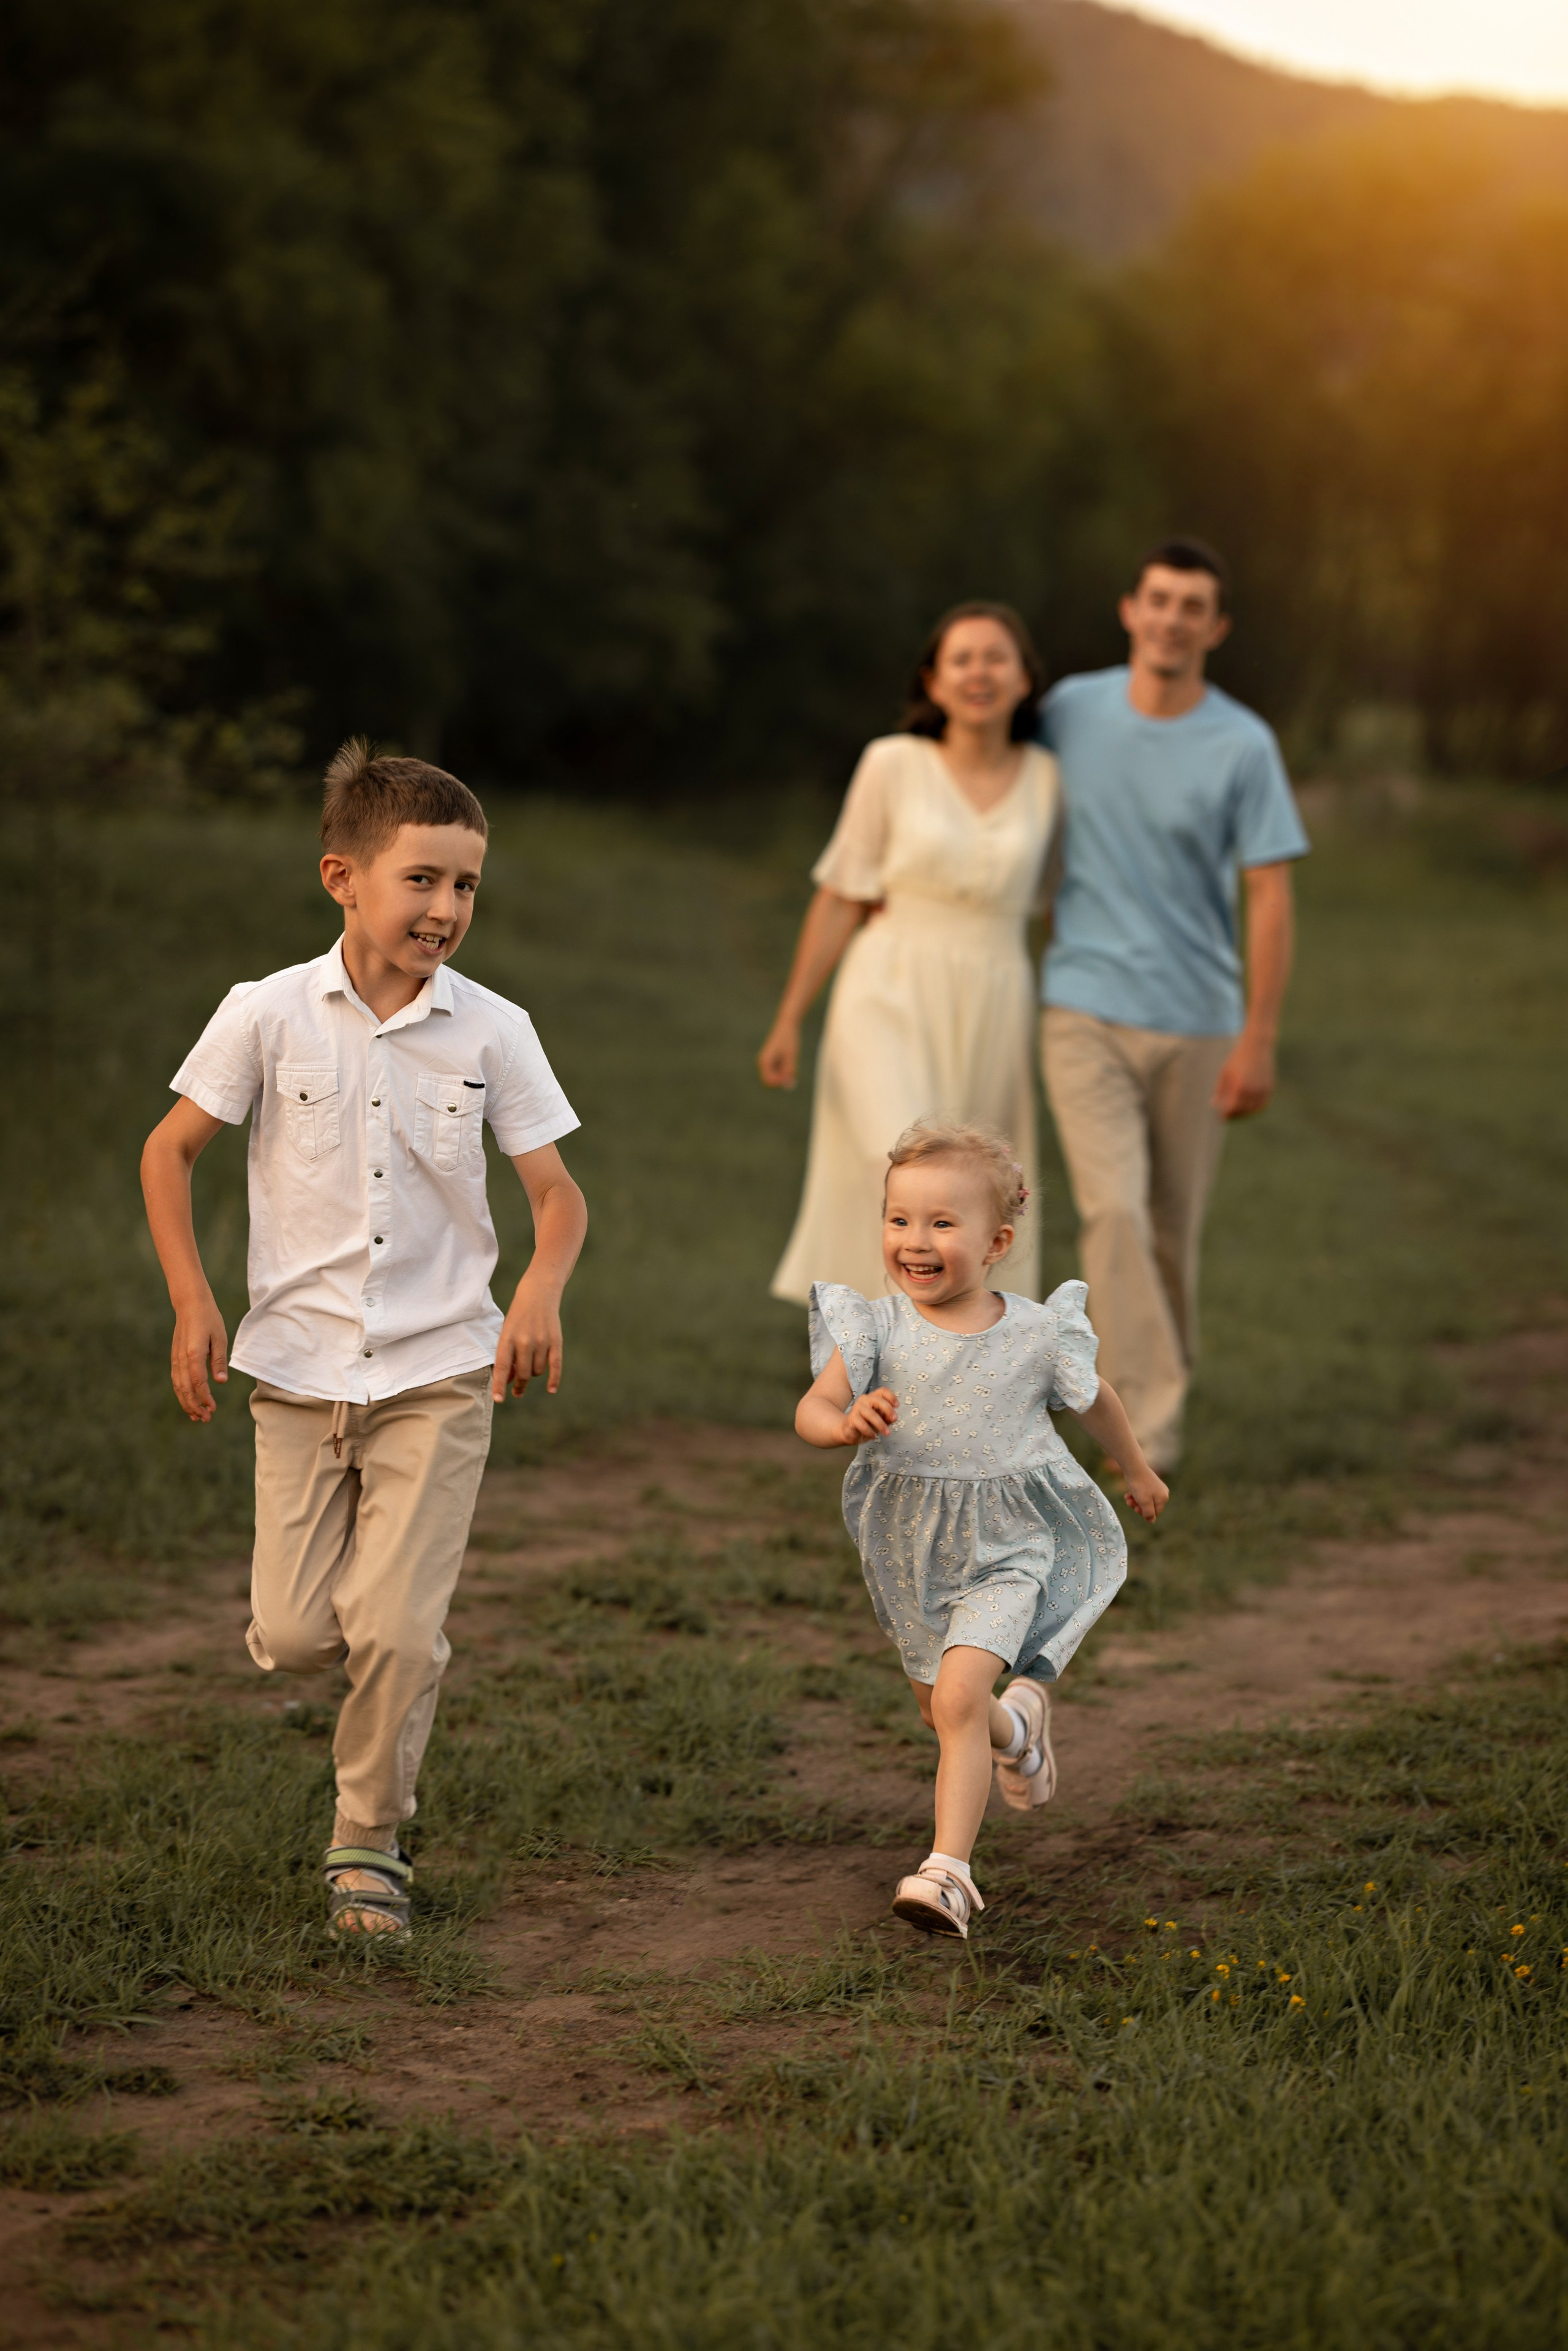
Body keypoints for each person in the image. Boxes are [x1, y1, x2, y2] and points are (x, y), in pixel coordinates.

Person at [140, 742, 587, 1941]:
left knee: (393, 1627)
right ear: (344, 875)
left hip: (442, 1367)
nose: (445, 908)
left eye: (466, 886)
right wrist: (194, 1300)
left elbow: (556, 1194)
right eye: (422, 879)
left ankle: (366, 1838)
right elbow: (167, 1150)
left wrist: (539, 1288)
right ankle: (385, 1652)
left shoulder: (494, 1030)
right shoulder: (266, 1014)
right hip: (295, 1367)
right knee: (293, 1636)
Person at [794, 1119, 1166, 1940]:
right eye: (899, 1219)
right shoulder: (877, 1328)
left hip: (1010, 1545)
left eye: (941, 1223)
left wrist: (1134, 1466)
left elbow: (1094, 1398)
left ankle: (948, 1874)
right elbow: (811, 1409)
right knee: (950, 1712)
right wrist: (844, 1419)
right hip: (911, 1551)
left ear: (997, 1240)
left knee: (959, 1696)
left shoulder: (1037, 1332)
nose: (914, 1240)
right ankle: (1020, 1729)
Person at [1039, 538, 1309, 1473]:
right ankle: (1146, 1431)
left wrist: (1259, 1038)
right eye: (1159, 600)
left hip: (1199, 1020)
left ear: (1216, 628)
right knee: (1112, 1211)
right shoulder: (1071, 709)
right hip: (1080, 1005)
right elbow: (985, 777)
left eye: (1193, 606)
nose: (1172, 618)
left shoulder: (1243, 743)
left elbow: (1270, 893)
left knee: (1167, 1231)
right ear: (1130, 610)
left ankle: (1154, 1402)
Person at [761, 603, 1060, 1304]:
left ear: (1024, 679)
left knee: (969, 1192)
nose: (978, 673)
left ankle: (952, 1368)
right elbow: (840, 896)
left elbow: (1058, 899)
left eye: (995, 658)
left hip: (995, 993)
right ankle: (874, 1361)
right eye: (961, 659)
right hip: (888, 986)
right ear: (933, 679)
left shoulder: (1048, 779)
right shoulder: (891, 763)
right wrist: (787, 1020)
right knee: (893, 1165)